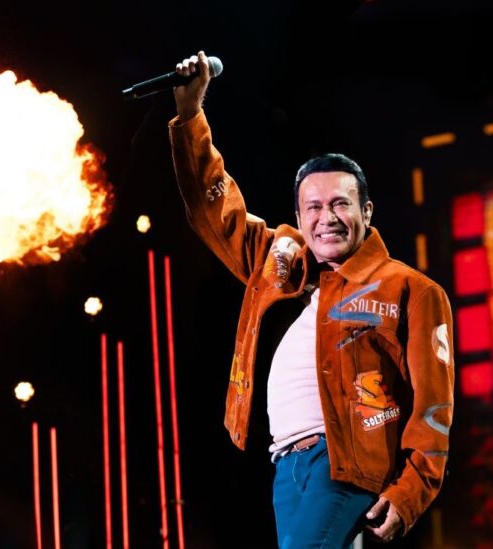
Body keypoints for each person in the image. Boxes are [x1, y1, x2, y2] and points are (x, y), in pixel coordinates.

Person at [168, 51, 454, 548]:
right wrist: (191, 114)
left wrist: (410, 493)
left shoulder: (410, 289)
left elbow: (435, 407)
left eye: (341, 204)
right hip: (286, 467)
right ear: (299, 219)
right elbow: (214, 210)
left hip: (344, 466)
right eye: (314, 207)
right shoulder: (281, 266)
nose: (327, 218)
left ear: (367, 211)